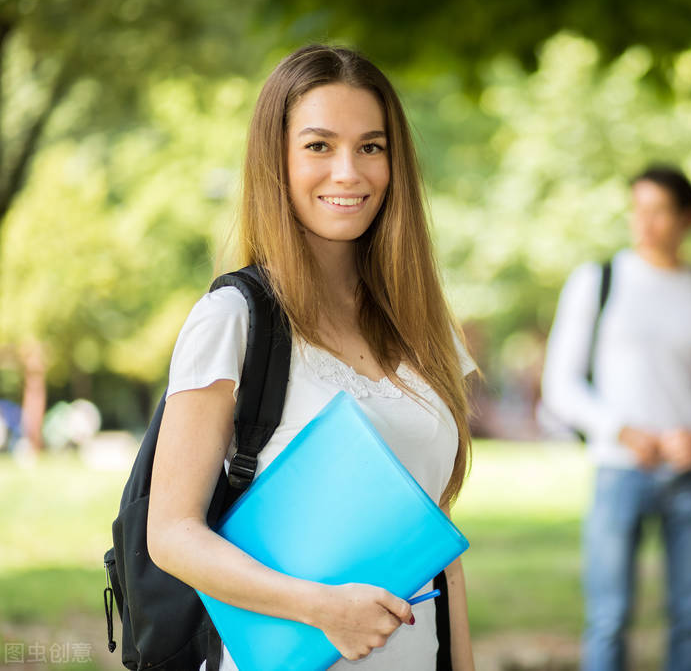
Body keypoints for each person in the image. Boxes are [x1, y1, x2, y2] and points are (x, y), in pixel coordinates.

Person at [146, 45, 476, 671]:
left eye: (371, 147)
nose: (348, 172)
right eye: (319, 146)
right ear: (277, 160)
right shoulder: (232, 320)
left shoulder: (426, 327)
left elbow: (439, 537)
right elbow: (170, 534)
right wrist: (322, 609)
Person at [543, 165, 691, 671]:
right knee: (609, 617)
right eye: (638, 208)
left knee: (689, 615)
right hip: (618, 471)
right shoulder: (598, 281)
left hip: (686, 476)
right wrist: (621, 430)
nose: (644, 222)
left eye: (658, 211)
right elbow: (560, 385)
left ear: (687, 218)